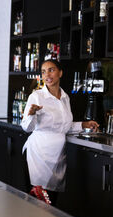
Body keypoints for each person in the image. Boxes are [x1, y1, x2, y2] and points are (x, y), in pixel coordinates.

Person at [21, 59, 99, 205]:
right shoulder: (36, 96)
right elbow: (26, 127)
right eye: (43, 72)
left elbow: (64, 126)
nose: (47, 75)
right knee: (37, 203)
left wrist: (84, 124)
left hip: (57, 157)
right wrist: (31, 114)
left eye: (51, 70)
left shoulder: (65, 97)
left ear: (60, 73)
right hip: (38, 156)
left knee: (52, 204)